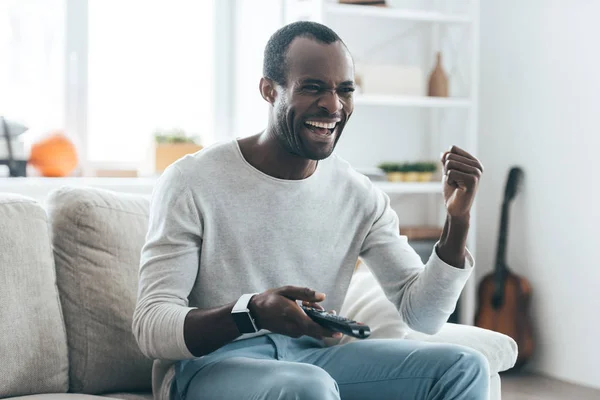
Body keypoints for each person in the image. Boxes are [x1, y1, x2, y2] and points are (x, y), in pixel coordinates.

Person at [132, 21, 488, 400]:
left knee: (465, 367)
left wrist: (458, 220)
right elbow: (151, 326)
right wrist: (250, 312)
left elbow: (424, 316)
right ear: (269, 90)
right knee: (308, 387)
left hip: (315, 361)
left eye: (345, 90)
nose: (333, 106)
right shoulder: (192, 179)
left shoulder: (359, 194)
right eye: (313, 87)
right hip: (209, 367)